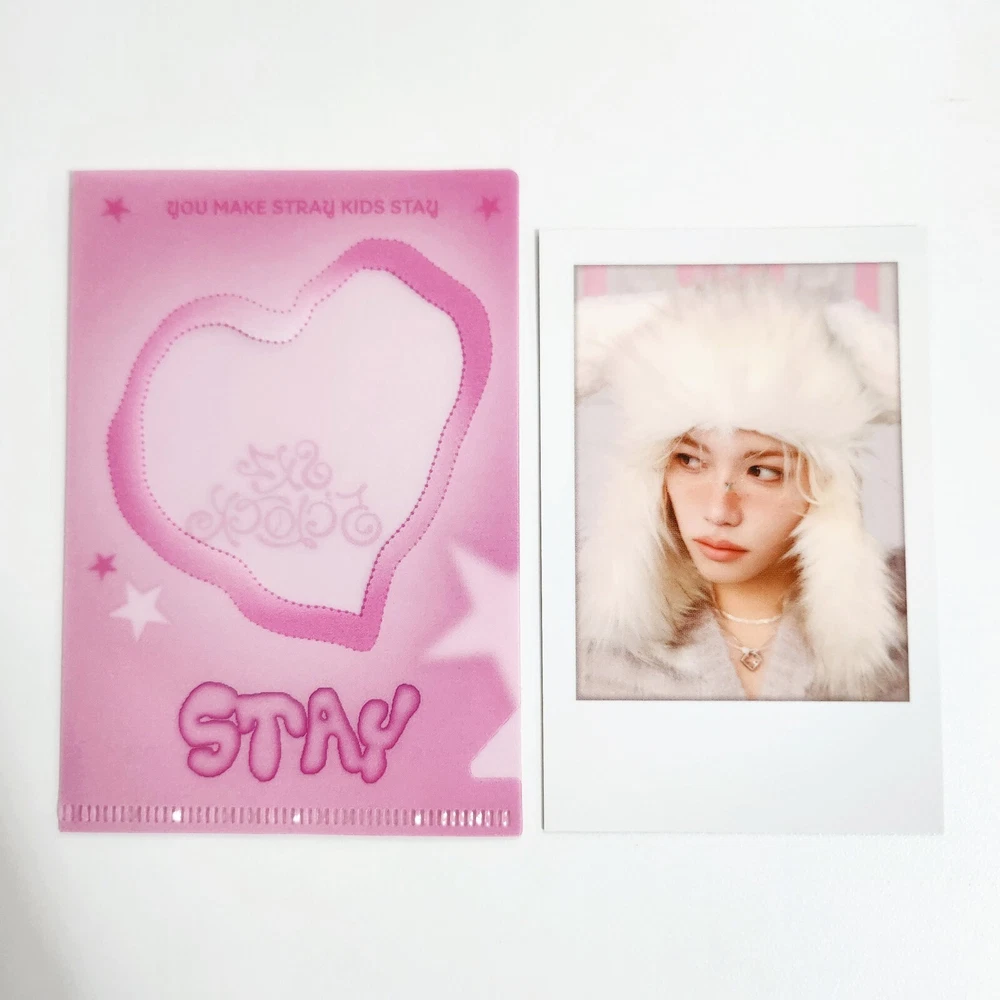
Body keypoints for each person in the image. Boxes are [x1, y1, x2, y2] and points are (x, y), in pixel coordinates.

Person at [574, 275, 909, 701]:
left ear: (829, 488)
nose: (719, 511)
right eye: (689, 461)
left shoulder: (918, 624)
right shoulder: (568, 628)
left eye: (762, 472)